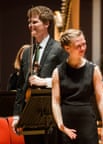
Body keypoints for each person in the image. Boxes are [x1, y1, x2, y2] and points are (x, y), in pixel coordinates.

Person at [12, 5, 67, 144]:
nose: (31, 25)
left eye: (35, 22)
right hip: (29, 115)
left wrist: (45, 82)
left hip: (51, 114)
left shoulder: (59, 49)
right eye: (29, 22)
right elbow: (20, 88)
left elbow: (68, 79)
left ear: (47, 23)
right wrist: (17, 116)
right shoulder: (26, 53)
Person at [51, 29, 103, 144]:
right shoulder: (57, 72)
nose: (83, 48)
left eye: (84, 44)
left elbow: (100, 99)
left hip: (87, 123)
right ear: (67, 48)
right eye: (78, 46)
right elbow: (55, 102)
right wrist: (60, 125)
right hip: (66, 123)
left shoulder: (94, 70)